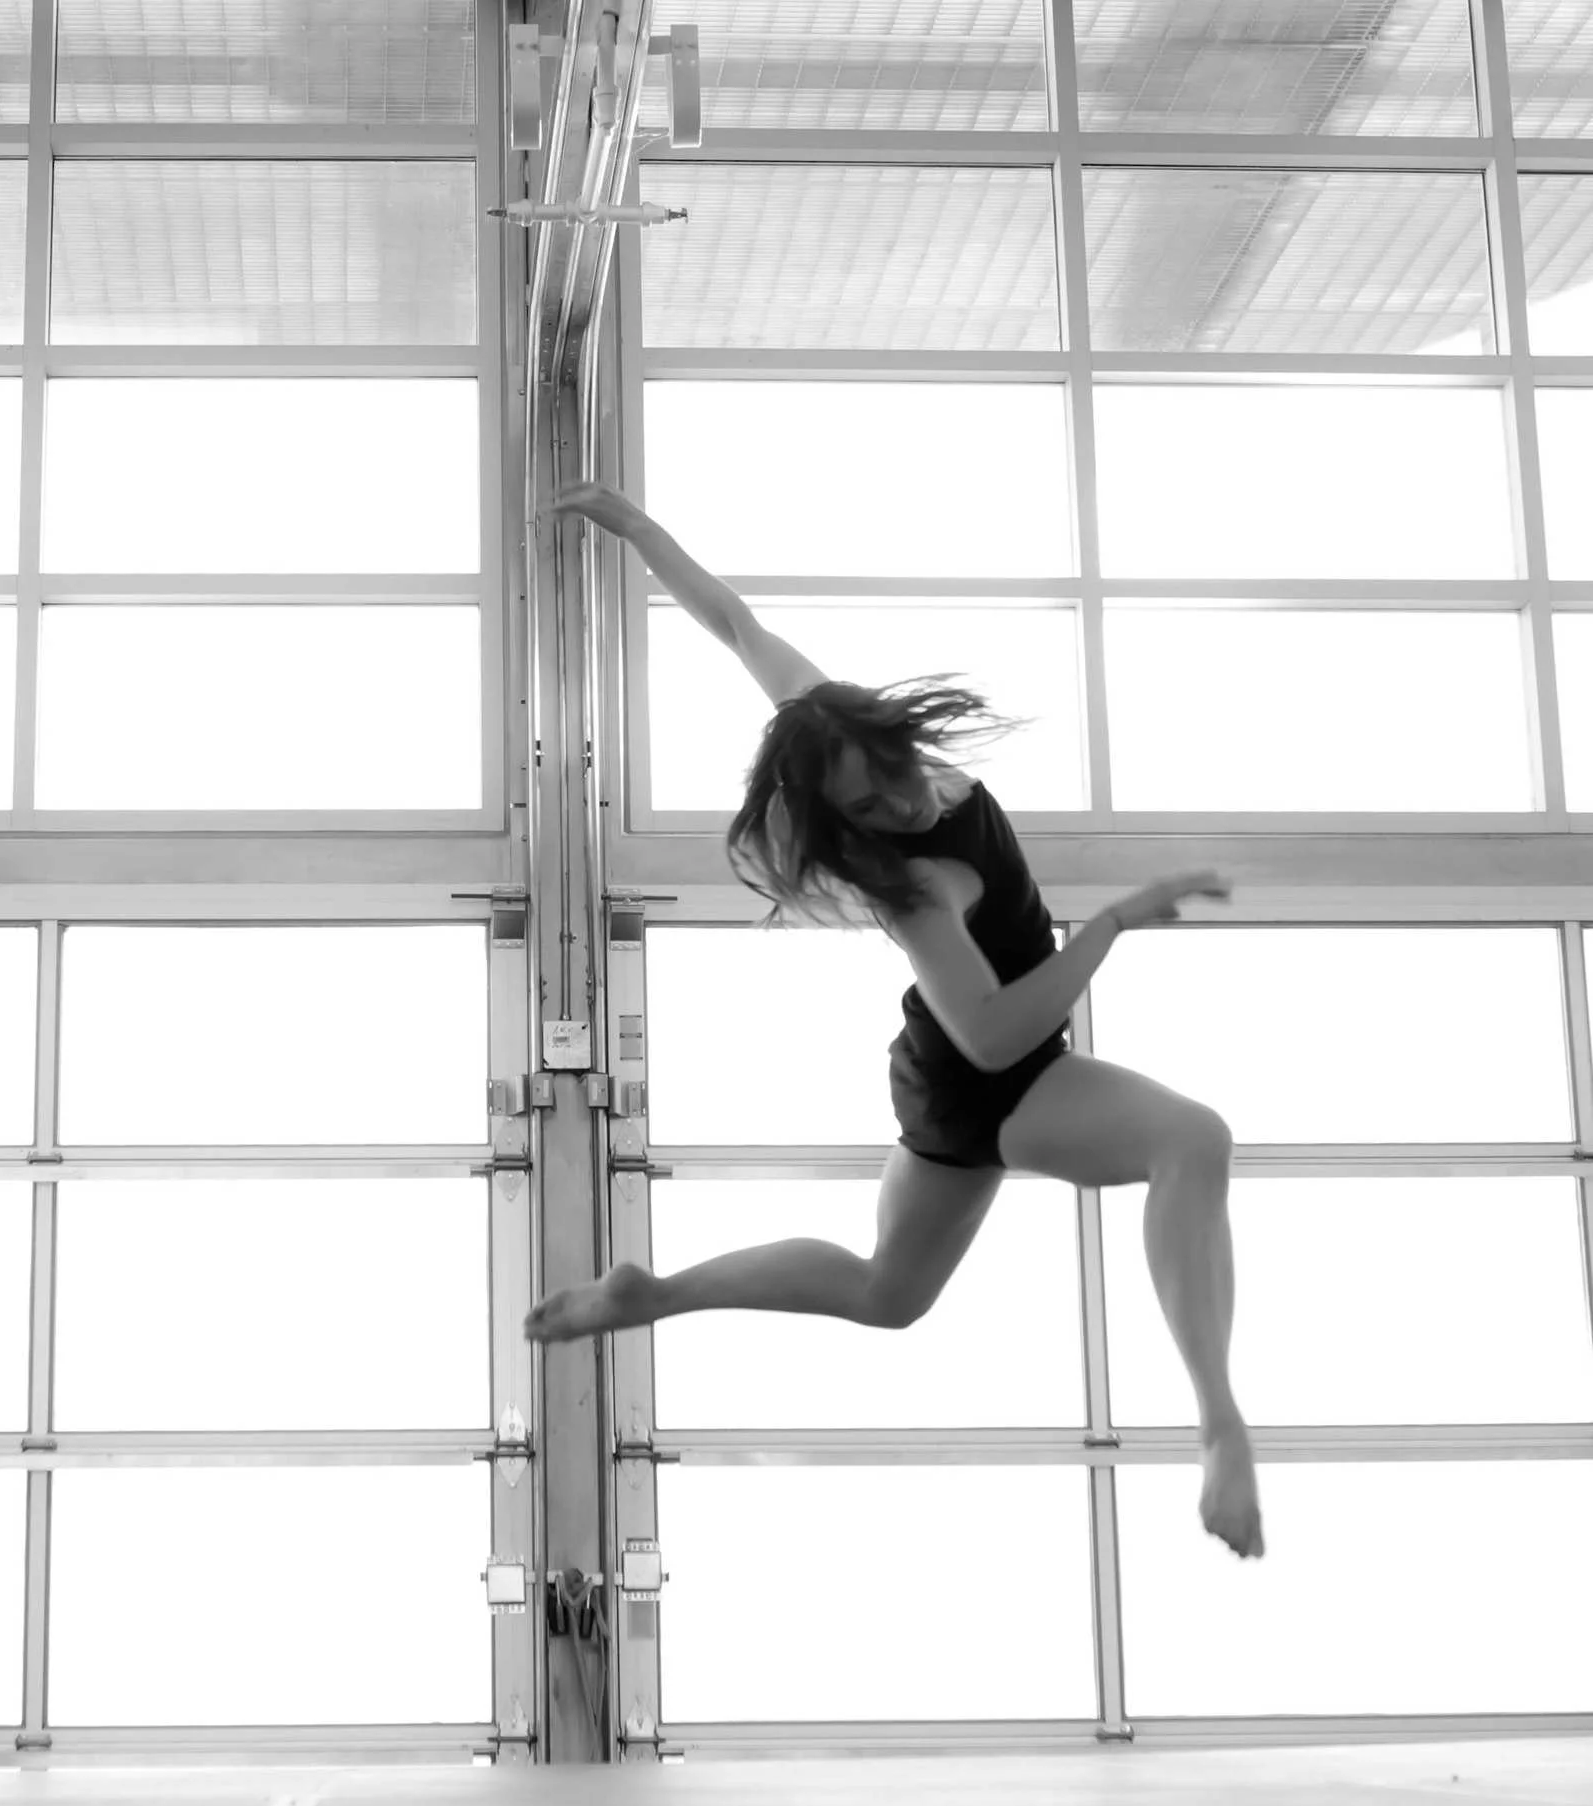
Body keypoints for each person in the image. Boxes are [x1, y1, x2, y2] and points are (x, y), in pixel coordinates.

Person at [527, 482, 1262, 1560]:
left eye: (895, 774)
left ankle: (656, 1293)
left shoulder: (835, 727)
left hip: (947, 1072)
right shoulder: (917, 888)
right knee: (1193, 1139)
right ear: (842, 823)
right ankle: (1220, 1423)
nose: (901, 803)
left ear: (889, 731)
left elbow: (735, 623)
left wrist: (639, 530)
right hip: (989, 1074)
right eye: (867, 810)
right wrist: (1109, 924)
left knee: (887, 1292)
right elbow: (997, 1038)